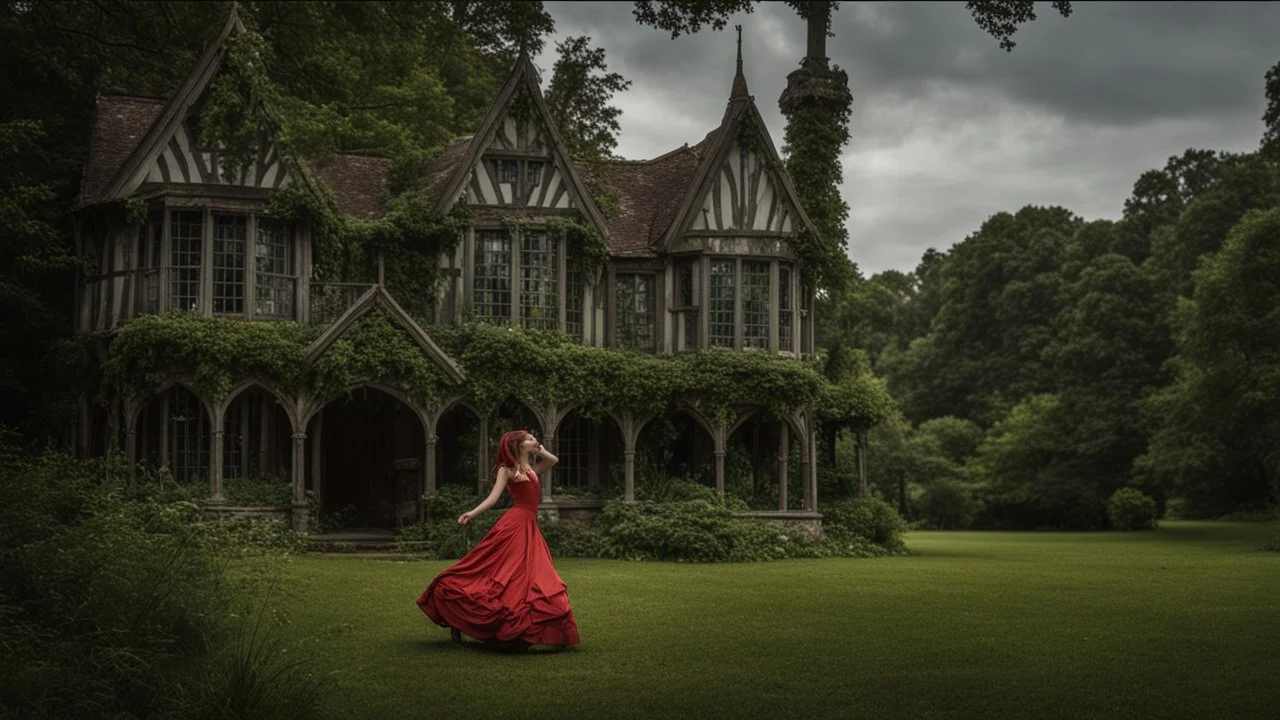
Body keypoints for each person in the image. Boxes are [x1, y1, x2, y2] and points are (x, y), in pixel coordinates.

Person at [416, 429, 580, 651]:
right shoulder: (507, 470)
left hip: (529, 527)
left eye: (533, 438)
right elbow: (493, 498)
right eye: (529, 439)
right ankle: (463, 614)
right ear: (518, 446)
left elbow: (553, 460)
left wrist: (538, 447)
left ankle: (545, 629)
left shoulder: (531, 468)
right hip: (514, 526)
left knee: (535, 576)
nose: (534, 441)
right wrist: (472, 513)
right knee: (497, 572)